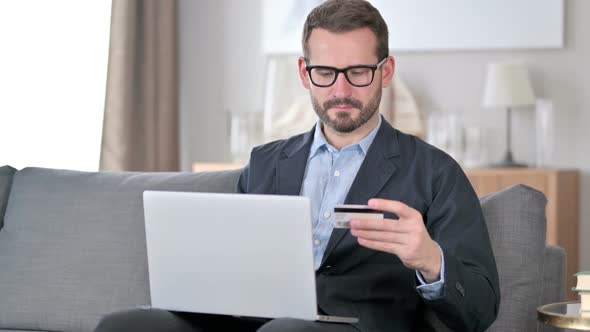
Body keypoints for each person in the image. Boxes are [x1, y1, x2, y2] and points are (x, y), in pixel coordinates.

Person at [95, 1, 500, 331]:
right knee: (125, 324)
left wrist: (429, 259)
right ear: (305, 74)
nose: (341, 91)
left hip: (355, 328)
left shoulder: (434, 172)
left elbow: (480, 311)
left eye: (358, 73)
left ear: (386, 72)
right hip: (253, 324)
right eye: (325, 72)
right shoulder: (265, 162)